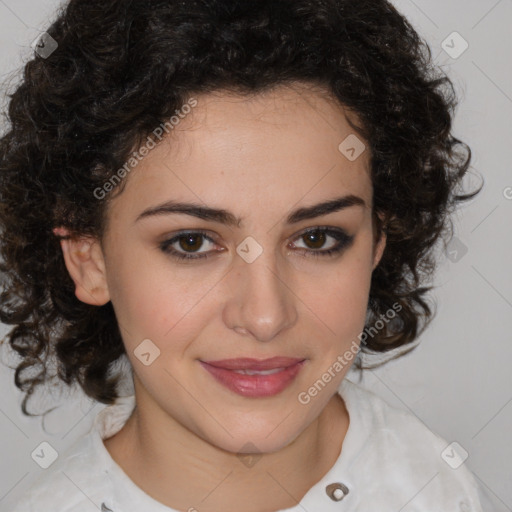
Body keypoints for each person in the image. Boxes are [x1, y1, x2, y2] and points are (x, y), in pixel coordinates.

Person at [0, 0, 493, 510]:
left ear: (377, 242)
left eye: (318, 238)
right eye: (191, 243)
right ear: (89, 258)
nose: (264, 316)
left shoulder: (437, 487)